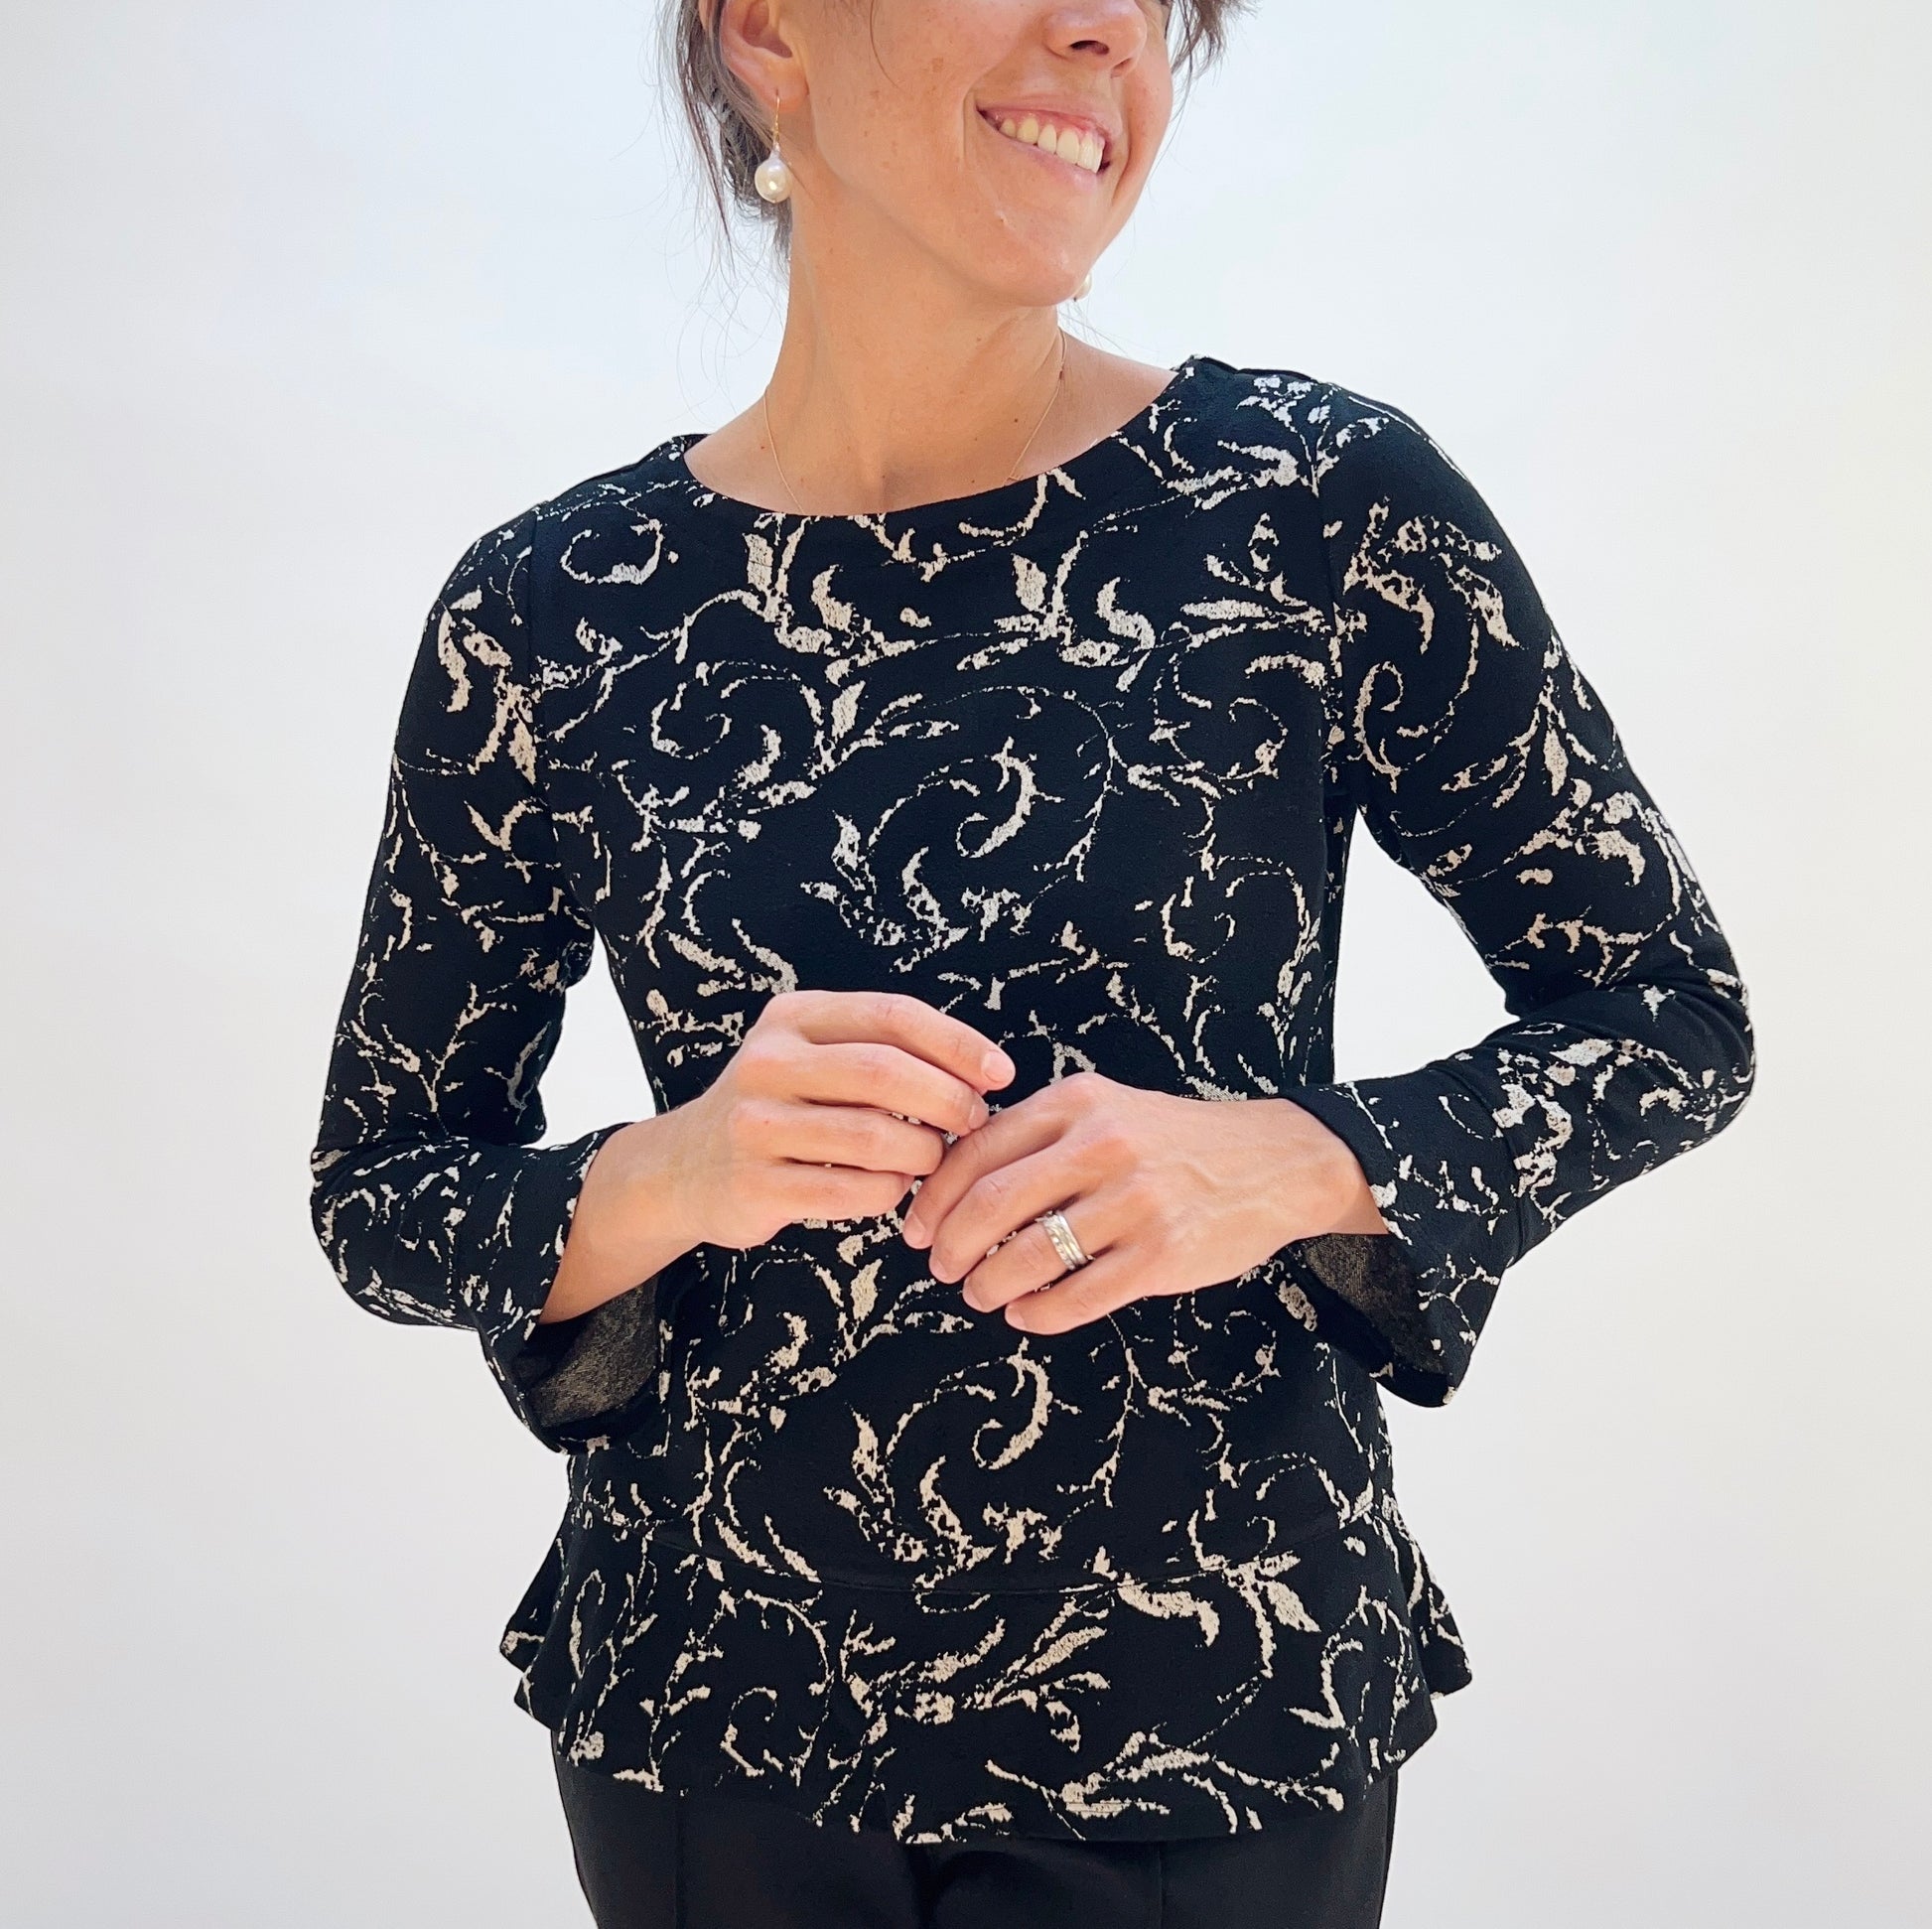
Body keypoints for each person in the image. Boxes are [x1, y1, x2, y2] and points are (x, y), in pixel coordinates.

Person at [307, 2, 1755, 1922]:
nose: (1104, 33)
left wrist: (1296, 1160)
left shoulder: (1314, 503)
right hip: (710, 1724)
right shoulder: (551, 610)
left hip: (1205, 1705)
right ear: (769, 32)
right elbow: (384, 1190)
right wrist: (677, 1171)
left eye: (1151, 4)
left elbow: (1664, 1013)